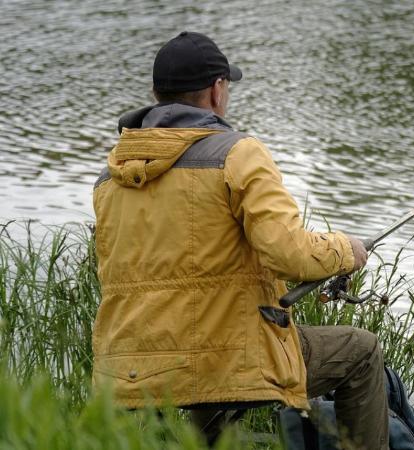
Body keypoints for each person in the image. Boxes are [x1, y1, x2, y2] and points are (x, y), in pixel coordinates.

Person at [92, 31, 388, 449]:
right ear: (217, 91)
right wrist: (346, 250)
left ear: (156, 94)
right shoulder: (237, 154)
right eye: (226, 86)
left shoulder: (111, 175)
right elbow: (288, 254)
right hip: (219, 359)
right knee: (361, 351)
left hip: (130, 367)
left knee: (204, 365)